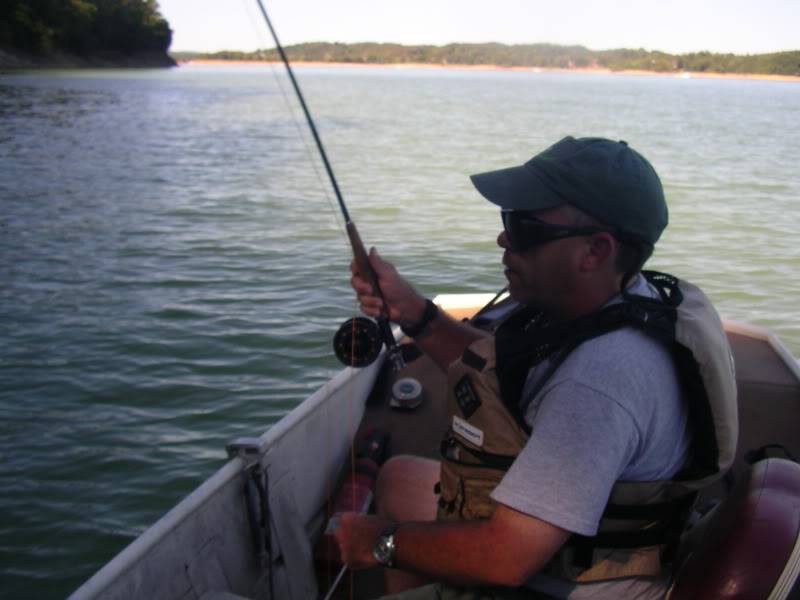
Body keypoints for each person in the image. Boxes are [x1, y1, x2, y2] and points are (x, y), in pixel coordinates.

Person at [333, 136, 737, 599]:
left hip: (558, 581)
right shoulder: (604, 300)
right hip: (560, 537)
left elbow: (506, 558)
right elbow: (501, 372)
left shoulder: (599, 382)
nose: (503, 238)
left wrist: (381, 542)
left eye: (523, 226)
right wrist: (413, 312)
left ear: (595, 251)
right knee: (401, 477)